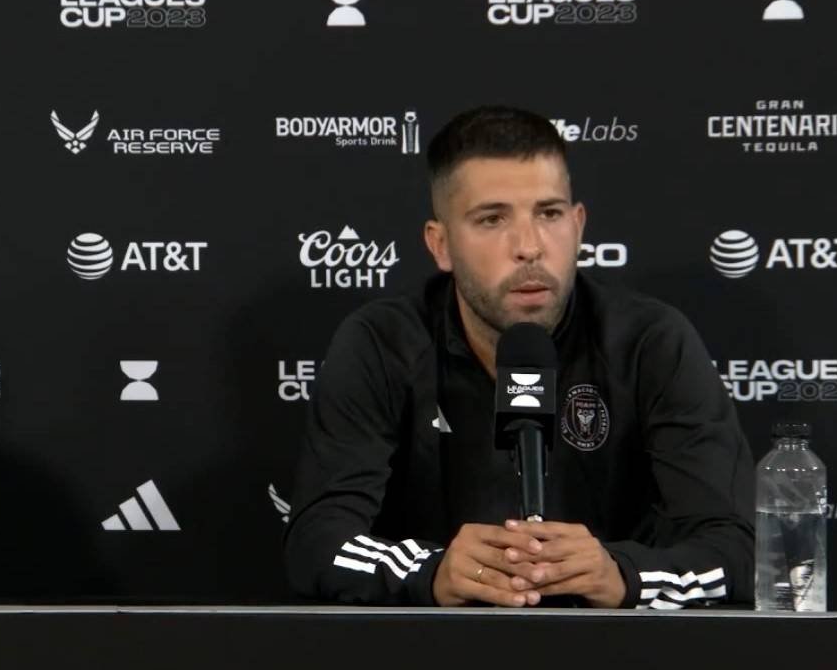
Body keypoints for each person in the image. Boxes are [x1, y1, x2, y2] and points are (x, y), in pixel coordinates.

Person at [284, 106, 753, 609]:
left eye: (549, 214)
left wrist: (623, 575)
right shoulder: (382, 343)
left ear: (578, 226)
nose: (529, 247)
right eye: (491, 219)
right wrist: (432, 570)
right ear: (440, 245)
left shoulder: (649, 341)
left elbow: (740, 550)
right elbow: (316, 543)